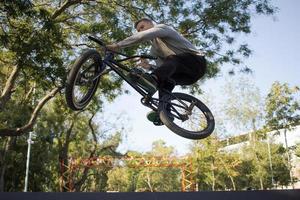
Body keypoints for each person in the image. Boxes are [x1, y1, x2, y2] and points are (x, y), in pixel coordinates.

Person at [107, 18, 207, 125]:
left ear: (151, 24)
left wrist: (118, 45)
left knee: (171, 59)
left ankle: (153, 79)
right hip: (187, 77)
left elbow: (143, 36)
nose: (140, 31)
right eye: (138, 30)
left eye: (142, 27)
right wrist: (149, 67)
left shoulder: (163, 28)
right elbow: (165, 68)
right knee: (163, 82)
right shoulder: (155, 49)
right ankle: (165, 113)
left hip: (196, 62)